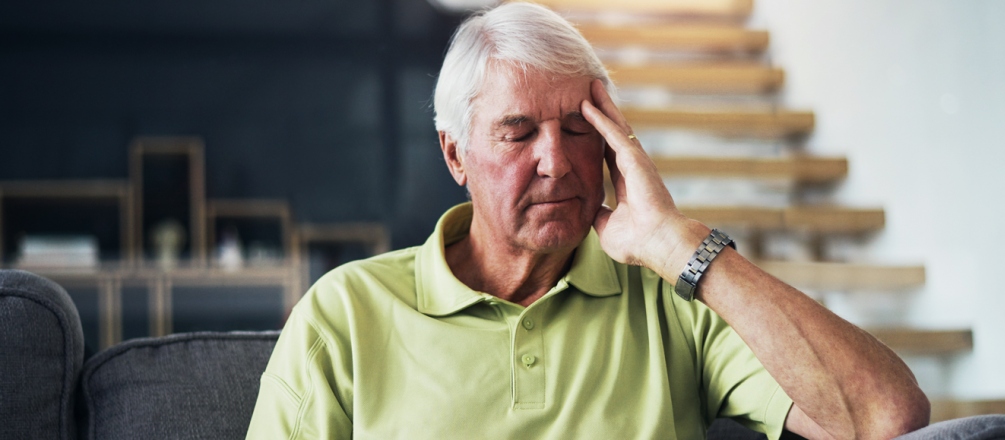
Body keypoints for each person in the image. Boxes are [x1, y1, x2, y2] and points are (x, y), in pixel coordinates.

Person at [246, 3, 929, 439]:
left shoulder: (675, 298)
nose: (557, 161)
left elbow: (885, 417)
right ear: (455, 154)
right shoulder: (345, 314)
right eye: (519, 132)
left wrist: (677, 243)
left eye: (578, 128)